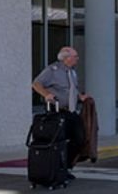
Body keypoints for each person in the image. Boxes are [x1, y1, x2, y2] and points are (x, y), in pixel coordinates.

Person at [32, 47, 88, 179]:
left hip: (72, 111)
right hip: (57, 111)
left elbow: (72, 89)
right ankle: (58, 170)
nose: (77, 59)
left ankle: (65, 165)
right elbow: (36, 84)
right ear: (66, 58)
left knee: (80, 139)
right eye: (75, 56)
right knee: (58, 142)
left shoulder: (72, 72)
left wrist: (80, 96)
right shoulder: (52, 70)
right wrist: (46, 94)